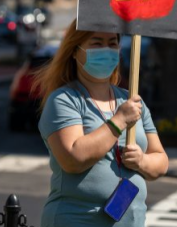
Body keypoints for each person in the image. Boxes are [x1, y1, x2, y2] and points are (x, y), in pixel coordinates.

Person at [35, 20, 168, 227]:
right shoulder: (63, 99)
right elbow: (73, 158)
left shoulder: (131, 100)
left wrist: (141, 161)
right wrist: (119, 121)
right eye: (96, 43)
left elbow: (160, 160)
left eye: (112, 43)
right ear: (75, 50)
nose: (106, 50)